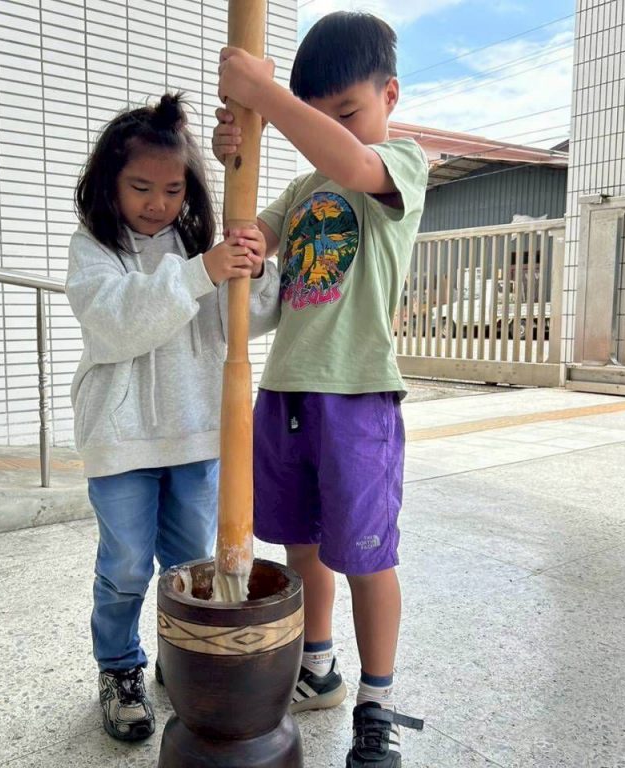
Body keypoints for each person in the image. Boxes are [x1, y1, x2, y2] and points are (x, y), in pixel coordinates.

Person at [214, 12, 429, 768]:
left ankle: (378, 702)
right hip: (285, 392)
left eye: (348, 112)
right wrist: (235, 149)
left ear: (389, 94)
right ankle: (319, 665)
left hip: (358, 394)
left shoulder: (401, 163)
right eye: (320, 112)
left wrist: (269, 99)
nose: (334, 129)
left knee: (367, 554)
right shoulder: (305, 187)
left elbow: (350, 161)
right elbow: (257, 237)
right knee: (302, 548)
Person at [66, 92, 279, 742]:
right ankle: (120, 668)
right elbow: (114, 325)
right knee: (127, 565)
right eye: (140, 187)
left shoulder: (195, 244)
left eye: (171, 188)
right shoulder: (95, 248)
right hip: (121, 443)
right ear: (109, 182)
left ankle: (177, 655)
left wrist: (253, 268)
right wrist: (200, 273)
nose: (157, 203)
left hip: (195, 436)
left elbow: (245, 321)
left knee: (189, 564)